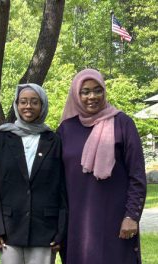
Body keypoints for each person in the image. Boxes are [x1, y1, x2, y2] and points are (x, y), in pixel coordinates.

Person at [57, 69, 147, 264]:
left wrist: (132, 216)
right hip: (77, 223)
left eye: (98, 90)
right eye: (85, 91)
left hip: (115, 220)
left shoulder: (122, 123)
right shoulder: (66, 129)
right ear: (76, 95)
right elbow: (53, 177)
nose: (92, 96)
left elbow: (137, 175)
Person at [0, 83, 68, 264]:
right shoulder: (0, 139)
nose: (28, 106)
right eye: (23, 102)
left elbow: (61, 189)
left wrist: (60, 231)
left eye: (34, 102)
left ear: (42, 105)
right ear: (16, 105)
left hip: (45, 230)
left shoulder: (54, 140)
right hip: (9, 230)